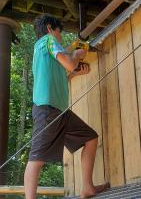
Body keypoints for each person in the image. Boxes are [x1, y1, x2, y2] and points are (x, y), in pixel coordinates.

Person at [24, 14, 107, 199]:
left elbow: (65, 74)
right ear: (49, 29)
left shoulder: (44, 54)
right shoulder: (48, 40)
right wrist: (76, 56)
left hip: (58, 111)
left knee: (90, 138)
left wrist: (76, 73)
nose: (60, 37)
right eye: (59, 32)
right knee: (36, 159)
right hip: (47, 110)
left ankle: (87, 187)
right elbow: (70, 64)